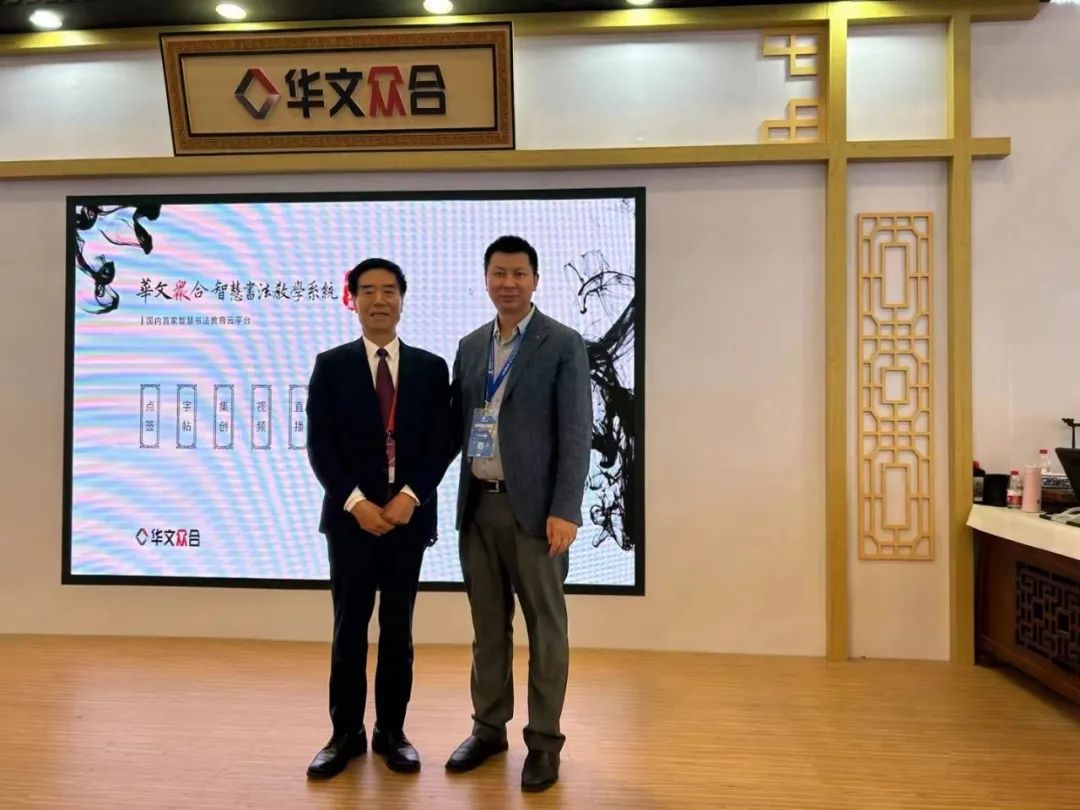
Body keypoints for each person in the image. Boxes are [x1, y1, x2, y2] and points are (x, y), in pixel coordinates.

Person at [445, 235, 593, 792]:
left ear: (535, 280)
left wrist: (566, 509)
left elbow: (576, 433)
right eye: (499, 274)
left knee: (546, 631)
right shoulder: (470, 346)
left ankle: (545, 743)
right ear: (486, 279)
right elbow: (458, 426)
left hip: (536, 516)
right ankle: (488, 729)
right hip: (478, 509)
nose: (508, 283)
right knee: (488, 629)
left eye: (518, 274)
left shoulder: (563, 344)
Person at [304, 258, 450, 779]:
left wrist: (411, 495)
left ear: (402, 299)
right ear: (353, 300)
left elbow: (441, 443)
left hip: (408, 521)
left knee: (397, 632)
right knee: (348, 631)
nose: (379, 300)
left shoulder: (431, 368)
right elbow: (320, 446)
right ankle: (345, 735)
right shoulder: (331, 365)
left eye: (389, 290)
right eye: (368, 290)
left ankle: (392, 732)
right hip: (352, 523)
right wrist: (356, 502)